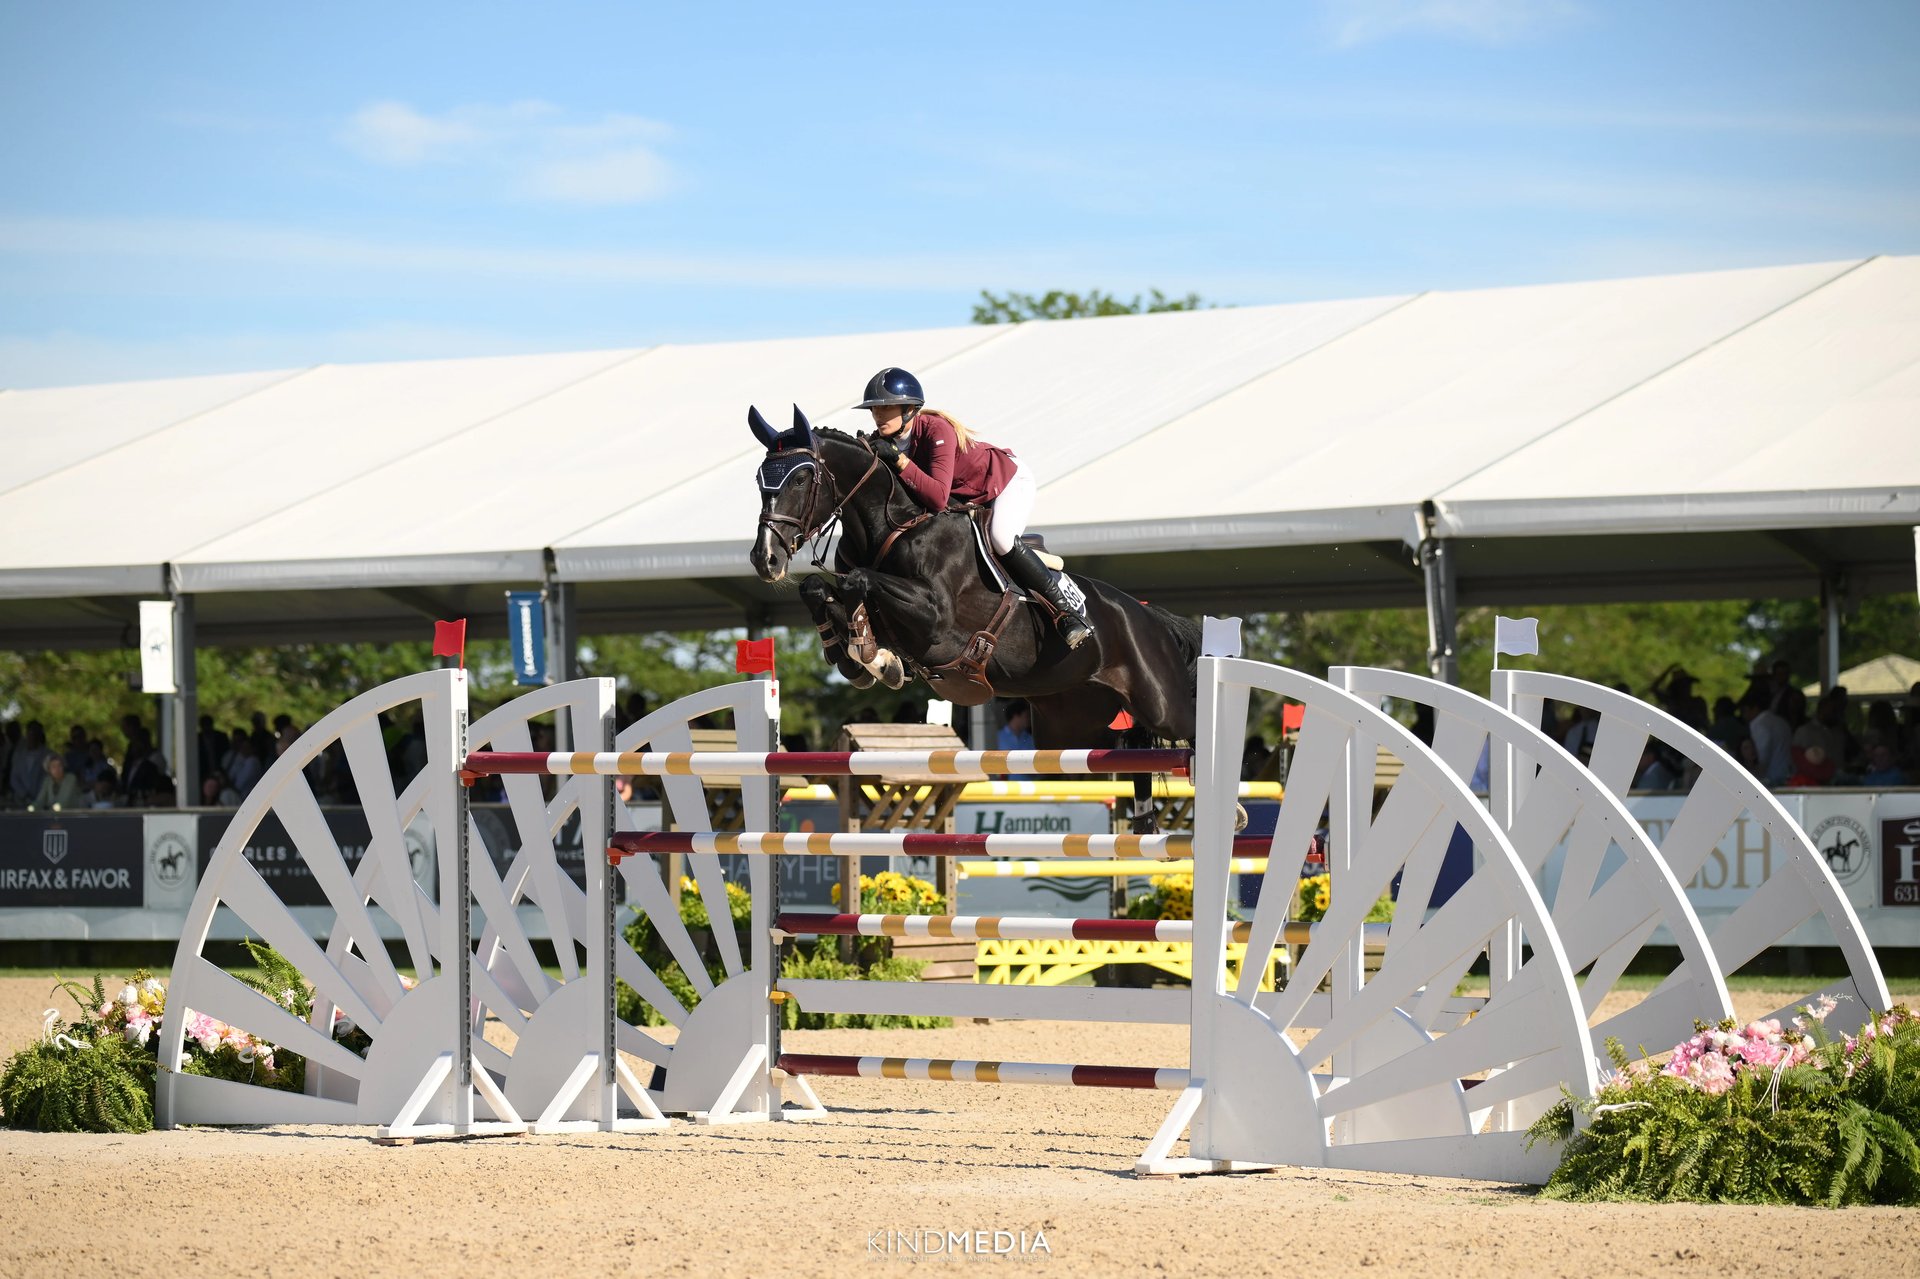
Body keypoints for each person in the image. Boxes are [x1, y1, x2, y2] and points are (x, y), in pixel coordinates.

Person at [857, 367, 1093, 649]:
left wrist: (900, 463)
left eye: (886, 408)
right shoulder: (889, 441)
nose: (878, 416)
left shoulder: (936, 429)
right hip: (968, 499)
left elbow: (937, 498)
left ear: (909, 409)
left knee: (1001, 538)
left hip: (1006, 483)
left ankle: (1065, 613)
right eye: (874, 410)